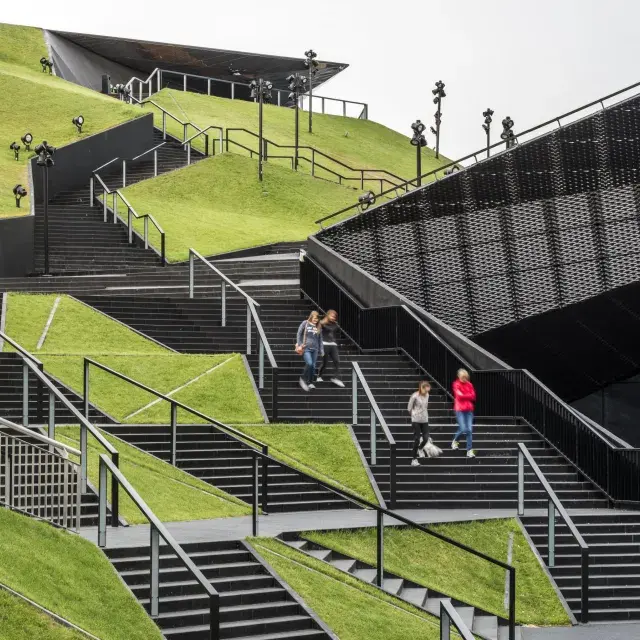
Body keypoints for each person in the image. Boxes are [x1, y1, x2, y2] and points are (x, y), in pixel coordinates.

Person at [295, 311, 323, 392]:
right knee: (309, 363)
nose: (316, 320)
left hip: (315, 349)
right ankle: (303, 378)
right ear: (311, 317)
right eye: (314, 318)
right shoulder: (305, 323)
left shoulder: (319, 326)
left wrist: (321, 349)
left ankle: (310, 382)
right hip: (306, 348)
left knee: (313, 366)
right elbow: (299, 333)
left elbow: (320, 339)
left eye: (317, 319)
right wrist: (300, 344)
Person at [451, 368, 476, 458]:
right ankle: (455, 440)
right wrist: (467, 396)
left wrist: (464, 395)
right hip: (460, 409)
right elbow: (459, 396)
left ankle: (469, 450)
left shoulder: (469, 384)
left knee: (469, 430)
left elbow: (473, 396)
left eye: (465, 377)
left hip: (468, 409)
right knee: (462, 428)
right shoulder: (456, 384)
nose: (464, 379)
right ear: (459, 376)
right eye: (462, 377)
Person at [317, 310, 345, 387]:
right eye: (332, 316)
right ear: (328, 315)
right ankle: (319, 376)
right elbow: (317, 333)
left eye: (334, 316)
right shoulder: (322, 323)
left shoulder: (335, 324)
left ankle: (336, 378)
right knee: (325, 363)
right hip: (324, 344)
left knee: (337, 361)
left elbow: (333, 330)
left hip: (333, 344)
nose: (333, 318)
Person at [408, 381, 431, 466]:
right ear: (422, 388)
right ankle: (414, 459)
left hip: (425, 419)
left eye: (428, 390)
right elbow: (409, 407)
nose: (427, 392)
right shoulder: (415, 396)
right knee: (417, 438)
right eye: (426, 390)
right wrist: (414, 415)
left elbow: (426, 406)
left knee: (426, 438)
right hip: (416, 420)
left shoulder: (427, 395)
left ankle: (420, 449)